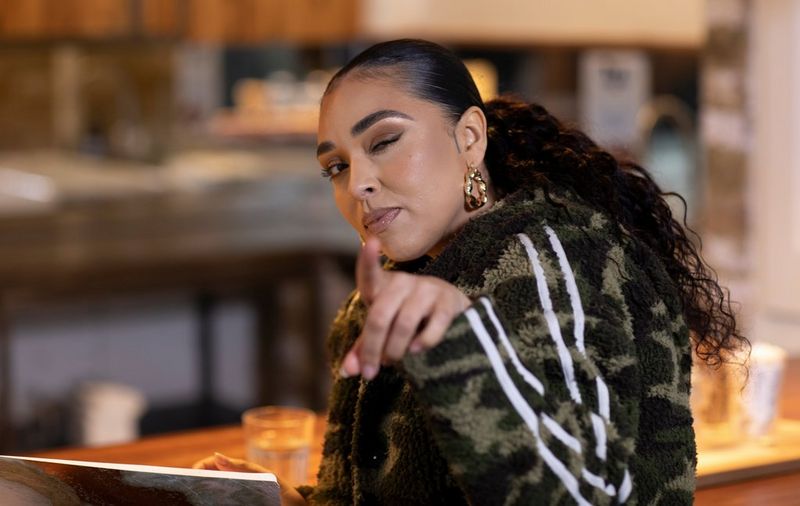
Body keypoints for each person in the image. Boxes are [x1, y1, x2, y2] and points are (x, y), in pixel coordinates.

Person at [197, 39, 747, 505]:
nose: (357, 183)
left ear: (469, 137)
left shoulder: (555, 260)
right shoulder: (384, 295)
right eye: (336, 166)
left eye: (385, 141)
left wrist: (460, 347)